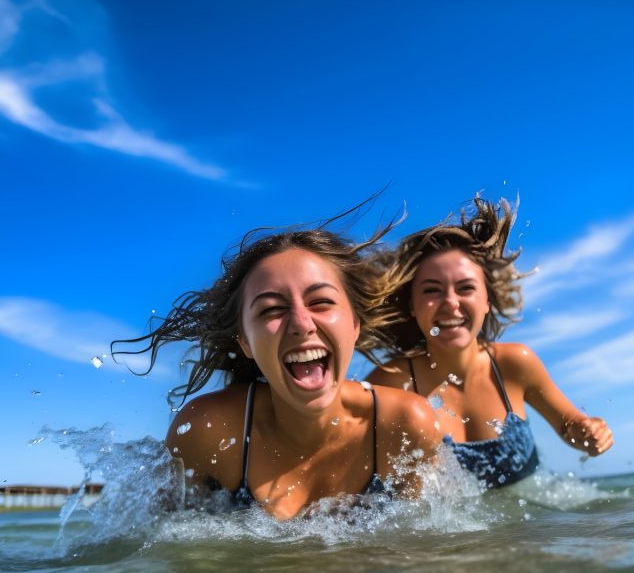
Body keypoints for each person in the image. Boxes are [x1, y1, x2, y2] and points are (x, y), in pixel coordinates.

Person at [114, 217, 441, 520]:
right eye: (271, 309)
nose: (301, 324)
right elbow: (157, 555)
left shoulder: (403, 425)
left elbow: (425, 553)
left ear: (355, 323)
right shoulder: (208, 432)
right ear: (244, 341)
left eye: (321, 302)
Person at [366, 196, 613, 488]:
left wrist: (590, 432)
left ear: (487, 301)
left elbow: (570, 425)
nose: (450, 303)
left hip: (534, 530)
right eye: (432, 291)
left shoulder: (514, 363)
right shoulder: (390, 385)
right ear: (412, 306)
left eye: (465, 288)